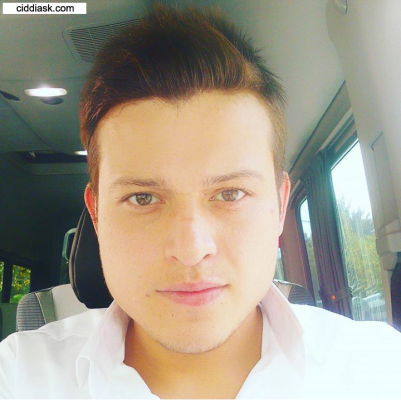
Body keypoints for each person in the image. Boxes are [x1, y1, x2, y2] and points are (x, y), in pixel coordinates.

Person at [1, 4, 401, 399]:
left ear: (280, 207)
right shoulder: (19, 376)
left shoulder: (379, 371)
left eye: (231, 194)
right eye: (143, 198)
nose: (191, 250)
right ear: (97, 215)